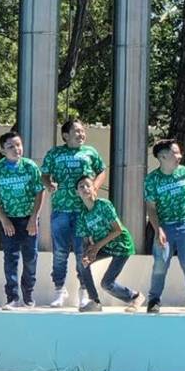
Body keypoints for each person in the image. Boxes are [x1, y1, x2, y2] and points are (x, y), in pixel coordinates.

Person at [41, 119, 106, 307]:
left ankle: (84, 290)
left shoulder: (90, 152)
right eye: (76, 132)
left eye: (82, 131)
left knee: (82, 252)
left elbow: (102, 171)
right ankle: (59, 290)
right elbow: (44, 174)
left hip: (83, 210)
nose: (81, 134)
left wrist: (94, 186)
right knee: (60, 252)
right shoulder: (55, 153)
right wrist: (48, 184)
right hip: (61, 209)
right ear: (65, 135)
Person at [0, 129, 45, 310]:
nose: (16, 149)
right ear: (3, 150)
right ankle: (12, 297)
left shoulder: (30, 166)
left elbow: (39, 192)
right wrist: (3, 219)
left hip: (28, 219)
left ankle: (28, 295)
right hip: (8, 219)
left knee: (30, 257)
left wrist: (34, 217)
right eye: (11, 146)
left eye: (18, 145)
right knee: (10, 257)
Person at [144, 139, 185, 314]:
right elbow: (151, 207)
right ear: (162, 157)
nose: (179, 156)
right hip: (164, 226)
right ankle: (154, 300)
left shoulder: (183, 172)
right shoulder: (152, 180)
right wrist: (158, 230)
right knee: (160, 263)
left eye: (179, 153)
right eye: (175, 153)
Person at [74, 175, 143, 312]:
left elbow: (117, 230)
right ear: (77, 192)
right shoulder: (82, 215)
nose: (85, 188)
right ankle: (95, 301)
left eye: (88, 185)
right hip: (105, 246)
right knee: (82, 263)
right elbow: (87, 242)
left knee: (106, 283)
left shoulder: (104, 205)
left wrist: (97, 247)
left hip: (121, 246)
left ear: (95, 188)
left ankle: (135, 297)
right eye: (81, 187)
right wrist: (89, 254)